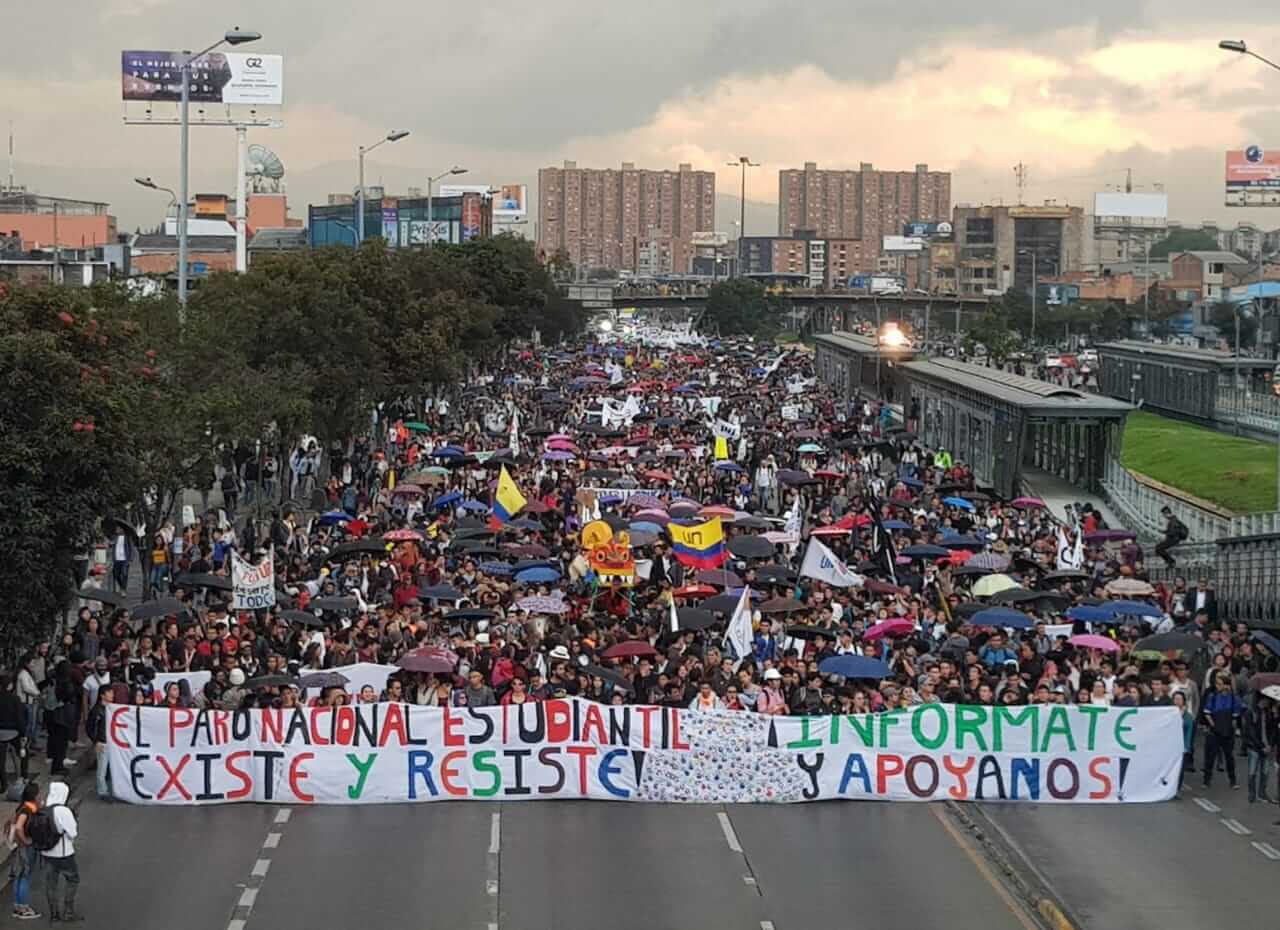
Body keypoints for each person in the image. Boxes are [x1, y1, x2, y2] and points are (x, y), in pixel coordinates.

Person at [36, 781, 79, 923]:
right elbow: (73, 833)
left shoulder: (43, 809)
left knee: (51, 884)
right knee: (72, 879)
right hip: (64, 853)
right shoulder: (63, 811)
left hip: (46, 854)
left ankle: (54, 914)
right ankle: (68, 911)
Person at [1201, 673, 1244, 790]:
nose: (1217, 686)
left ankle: (1233, 780)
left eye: (1219, 684)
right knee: (1210, 757)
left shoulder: (1234, 698)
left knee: (1229, 757)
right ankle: (1206, 780)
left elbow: (1236, 716)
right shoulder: (1213, 696)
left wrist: (1232, 729)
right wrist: (1213, 726)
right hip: (1214, 731)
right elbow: (1207, 713)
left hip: (1228, 732)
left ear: (1226, 685)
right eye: (1216, 683)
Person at [7, 781, 40, 920]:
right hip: (26, 847)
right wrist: (26, 840)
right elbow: (20, 826)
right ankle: (24, 908)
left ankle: (18, 906)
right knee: (25, 876)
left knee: (19, 876)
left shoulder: (22, 806)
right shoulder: (28, 809)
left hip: (19, 846)